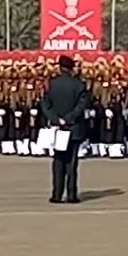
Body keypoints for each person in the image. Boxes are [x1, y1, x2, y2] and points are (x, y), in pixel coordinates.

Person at [41, 55, 89, 203]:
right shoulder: (79, 85)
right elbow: (81, 106)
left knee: (58, 160)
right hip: (73, 128)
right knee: (72, 162)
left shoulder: (51, 84)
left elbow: (45, 104)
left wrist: (56, 119)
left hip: (57, 128)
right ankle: (71, 194)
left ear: (59, 67)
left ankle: (56, 194)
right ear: (71, 68)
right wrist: (68, 119)